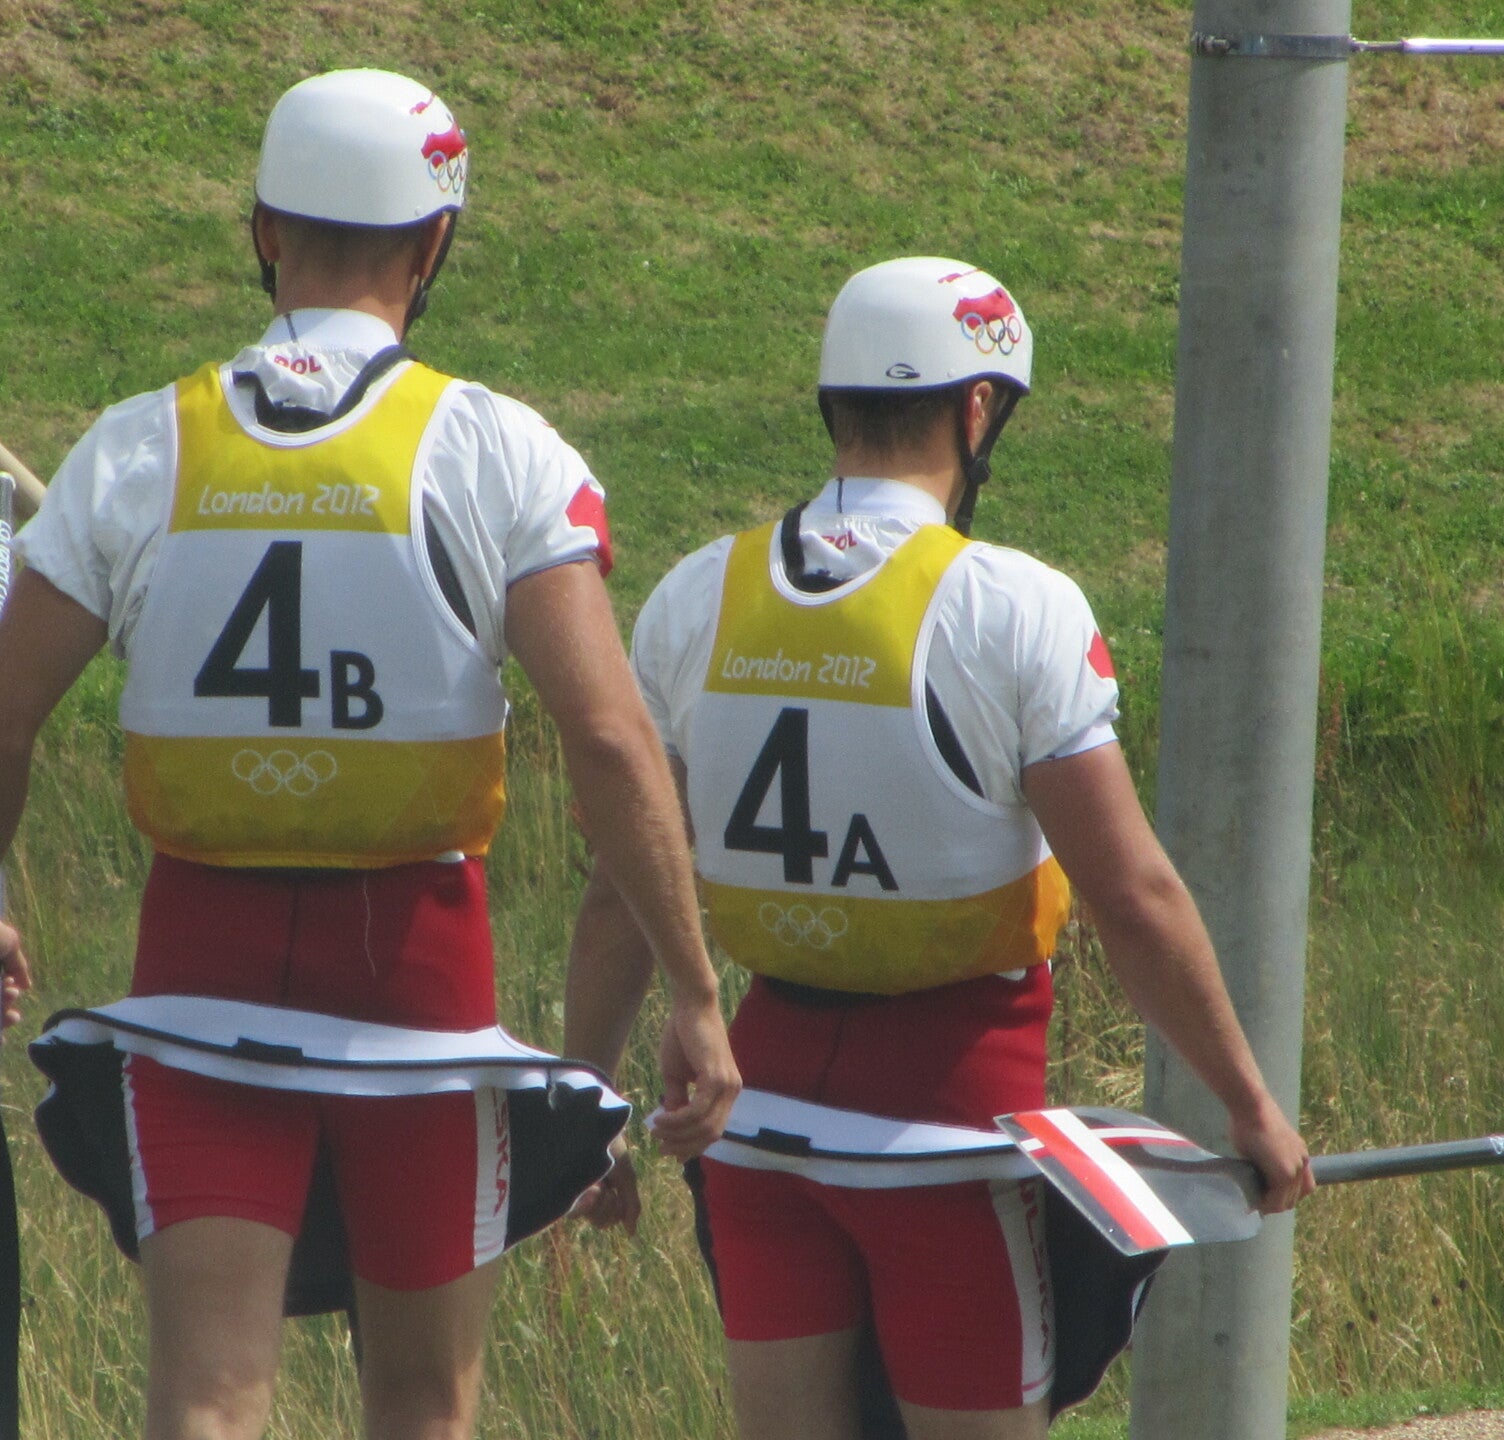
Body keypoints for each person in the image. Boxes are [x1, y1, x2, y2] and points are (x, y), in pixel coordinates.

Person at [0, 68, 738, 1440]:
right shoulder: (495, 450)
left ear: (262, 230)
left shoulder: (139, 447)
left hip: (197, 986)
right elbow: (606, 736)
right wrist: (696, 991)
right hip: (422, 996)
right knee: (423, 1406)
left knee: (205, 1401)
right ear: (435, 245)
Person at [562, 256, 1314, 1440]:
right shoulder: (1011, 606)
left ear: (835, 403)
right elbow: (1132, 895)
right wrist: (1250, 1103)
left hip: (760, 1134)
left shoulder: (696, 595)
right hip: (953, 1150)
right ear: (976, 410)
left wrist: (588, 1106)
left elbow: (620, 891)